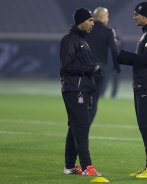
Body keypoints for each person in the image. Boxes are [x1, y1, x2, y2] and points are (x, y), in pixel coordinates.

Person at [117, 1, 147, 179]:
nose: (133, 17)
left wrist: (122, 56)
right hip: (142, 85)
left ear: (144, 15)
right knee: (145, 126)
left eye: (136, 14)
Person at [59, 8, 102, 176]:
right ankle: (87, 167)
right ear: (81, 21)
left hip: (82, 90)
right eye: (90, 20)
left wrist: (92, 73)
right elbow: (67, 66)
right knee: (82, 127)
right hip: (74, 90)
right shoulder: (69, 39)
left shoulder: (82, 40)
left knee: (75, 127)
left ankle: (70, 166)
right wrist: (91, 68)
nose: (93, 23)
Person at [86, 7, 121, 99]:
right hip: (101, 68)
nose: (108, 19)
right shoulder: (108, 31)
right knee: (98, 95)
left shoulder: (86, 30)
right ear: (102, 17)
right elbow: (114, 50)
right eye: (107, 16)